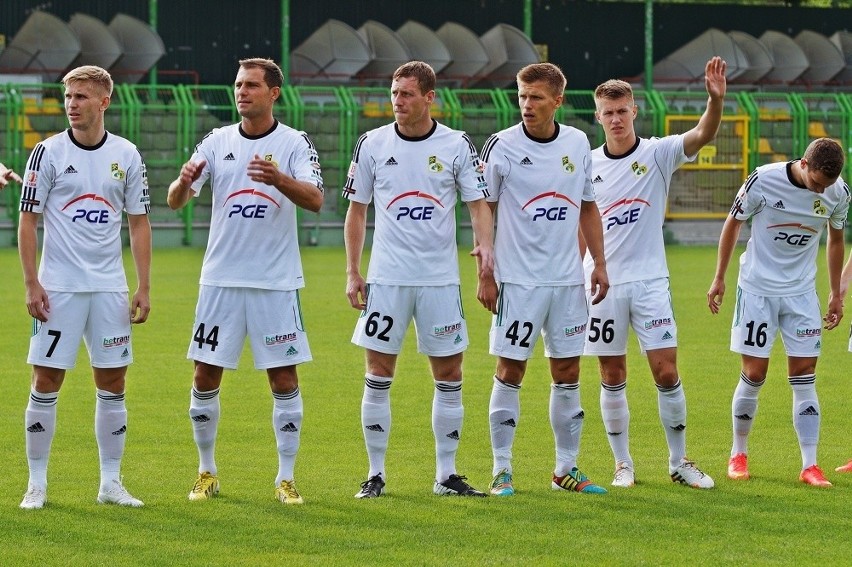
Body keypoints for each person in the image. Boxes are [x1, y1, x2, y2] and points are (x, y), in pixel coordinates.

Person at [167, 58, 323, 505]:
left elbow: (315, 199)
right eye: (238, 85)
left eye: (251, 85)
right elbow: (176, 201)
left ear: (274, 92)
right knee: (204, 374)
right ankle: (206, 471)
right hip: (220, 280)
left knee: (283, 377)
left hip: (275, 282)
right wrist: (182, 182)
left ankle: (286, 478)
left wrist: (279, 179)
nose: (242, 92)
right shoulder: (217, 141)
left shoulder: (294, 142)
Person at [344, 61, 494, 498]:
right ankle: (375, 474)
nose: (397, 101)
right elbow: (357, 210)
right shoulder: (371, 144)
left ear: (430, 97)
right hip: (386, 280)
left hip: (439, 281)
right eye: (394, 93)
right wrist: (354, 271)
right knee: (378, 371)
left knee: (449, 372)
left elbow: (478, 204)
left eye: (407, 94)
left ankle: (446, 475)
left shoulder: (456, 145)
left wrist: (485, 247)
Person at [582, 57, 727, 490]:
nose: (615, 119)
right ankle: (623, 463)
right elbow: (579, 224)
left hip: (650, 283)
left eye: (622, 110)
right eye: (607, 112)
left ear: (634, 111)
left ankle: (679, 461)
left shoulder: (658, 153)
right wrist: (576, 273)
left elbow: (703, 133)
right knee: (612, 374)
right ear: (598, 116)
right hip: (601, 285)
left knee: (665, 371)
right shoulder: (585, 164)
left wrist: (714, 101)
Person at [18, 65, 152, 509]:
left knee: (113, 382)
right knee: (47, 379)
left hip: (110, 289)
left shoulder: (128, 155)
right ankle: (37, 485)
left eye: (81, 97)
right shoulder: (47, 152)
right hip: (59, 289)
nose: (72, 104)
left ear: (104, 101)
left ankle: (110, 484)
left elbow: (138, 222)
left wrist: (143, 285)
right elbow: (28, 220)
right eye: (69, 97)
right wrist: (32, 282)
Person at [478, 63, 609, 497]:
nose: (526, 105)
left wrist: (600, 264)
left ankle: (565, 470)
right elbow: (484, 207)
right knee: (510, 370)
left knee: (568, 371)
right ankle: (501, 470)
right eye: (521, 96)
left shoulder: (577, 142)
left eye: (535, 97)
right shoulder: (501, 146)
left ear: (557, 101)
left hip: (567, 282)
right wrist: (487, 266)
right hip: (519, 282)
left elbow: (588, 206)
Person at [707, 137, 849, 487]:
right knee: (754, 373)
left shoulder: (839, 192)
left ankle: (809, 465)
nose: (820, 191)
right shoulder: (763, 179)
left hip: (801, 294)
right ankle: (738, 454)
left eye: (826, 186)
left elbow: (835, 239)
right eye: (816, 183)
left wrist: (835, 293)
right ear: (803, 163)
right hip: (757, 290)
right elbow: (733, 223)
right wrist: (719, 277)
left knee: (805, 374)